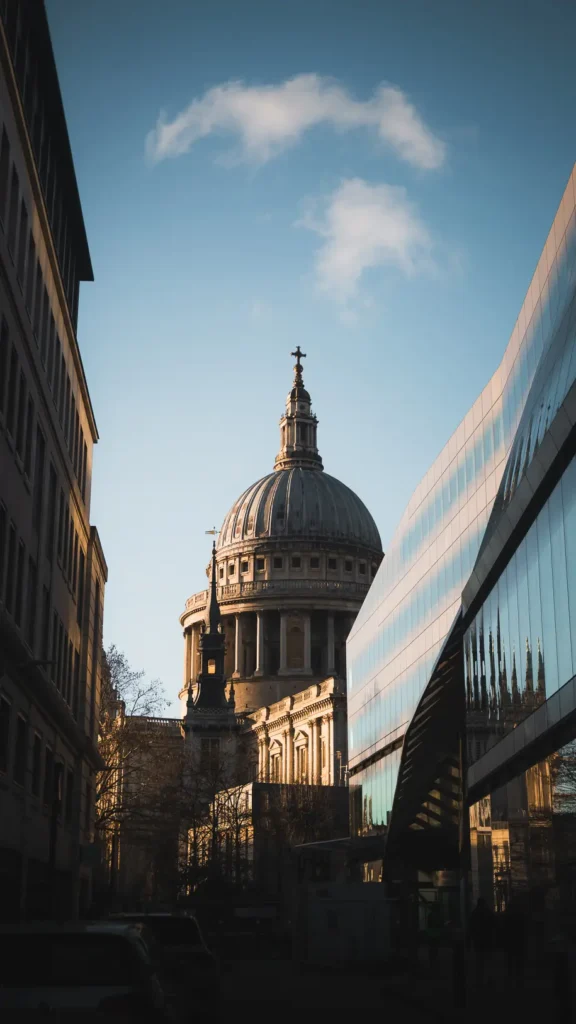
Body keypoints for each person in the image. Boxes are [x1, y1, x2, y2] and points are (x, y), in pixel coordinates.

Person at [468, 897, 494, 985]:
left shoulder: (474, 913)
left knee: (479, 961)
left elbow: (471, 927)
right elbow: (494, 925)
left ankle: (479, 979)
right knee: (488, 960)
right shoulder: (489, 913)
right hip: (487, 939)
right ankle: (489, 979)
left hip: (478, 940)